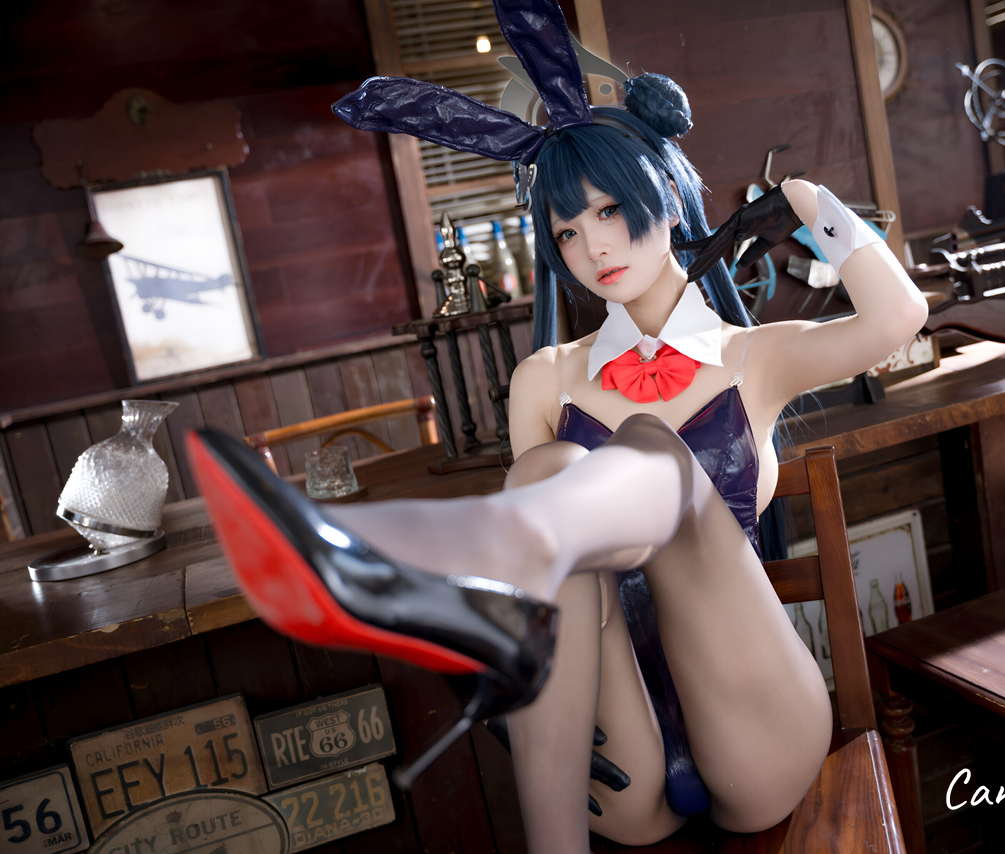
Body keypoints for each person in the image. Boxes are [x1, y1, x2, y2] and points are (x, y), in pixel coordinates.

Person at [188, 3, 929, 851]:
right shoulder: (544, 378)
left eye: (609, 211)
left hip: (754, 724)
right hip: (617, 745)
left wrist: (806, 201)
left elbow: (897, 317)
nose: (593, 248)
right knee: (545, 484)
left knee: (646, 457)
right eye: (567, 231)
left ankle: (436, 547)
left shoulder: (754, 356)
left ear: (665, 194)